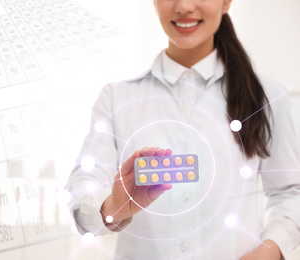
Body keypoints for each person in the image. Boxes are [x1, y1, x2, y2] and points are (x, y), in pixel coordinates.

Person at [65, 0, 300, 259]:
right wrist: (113, 206)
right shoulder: (116, 99)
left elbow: (292, 192)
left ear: (226, 3)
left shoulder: (268, 97)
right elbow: (81, 189)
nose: (185, 6)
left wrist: (269, 251)